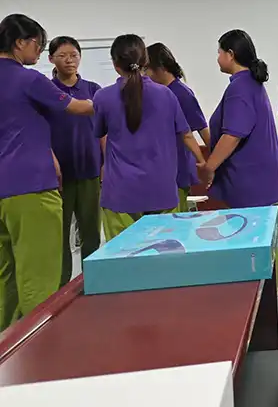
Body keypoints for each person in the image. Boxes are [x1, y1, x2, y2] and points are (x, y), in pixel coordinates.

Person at [0, 14, 94, 331]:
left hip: (4, 192)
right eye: (38, 45)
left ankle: (7, 344)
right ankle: (39, 343)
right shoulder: (29, 79)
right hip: (30, 188)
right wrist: (122, 95)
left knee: (6, 276)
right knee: (38, 274)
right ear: (19, 43)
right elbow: (79, 107)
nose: (39, 52)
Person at [93, 34, 205, 240]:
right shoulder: (166, 94)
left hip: (121, 192)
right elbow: (187, 134)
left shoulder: (103, 97)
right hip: (162, 190)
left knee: (122, 255)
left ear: (115, 65)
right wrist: (203, 162)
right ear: (145, 61)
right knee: (165, 253)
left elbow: (99, 133)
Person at [204, 30, 278, 211]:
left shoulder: (240, 87)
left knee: (245, 227)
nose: (217, 58)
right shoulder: (251, 83)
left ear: (230, 54)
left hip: (248, 179)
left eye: (219, 52)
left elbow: (232, 135)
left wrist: (210, 166)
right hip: (258, 176)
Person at [47, 36, 103, 287]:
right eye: (62, 56)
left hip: (90, 169)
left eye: (74, 55)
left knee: (91, 232)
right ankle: (61, 288)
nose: (69, 60)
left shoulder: (93, 90)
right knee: (59, 236)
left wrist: (106, 162)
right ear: (51, 59)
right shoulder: (47, 91)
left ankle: (92, 282)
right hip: (58, 175)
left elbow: (104, 130)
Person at [146, 43, 210, 212]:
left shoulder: (181, 93)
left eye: (147, 70)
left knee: (174, 218)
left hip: (178, 168)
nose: (145, 75)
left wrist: (211, 163)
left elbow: (201, 129)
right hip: (161, 167)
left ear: (160, 68)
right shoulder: (157, 93)